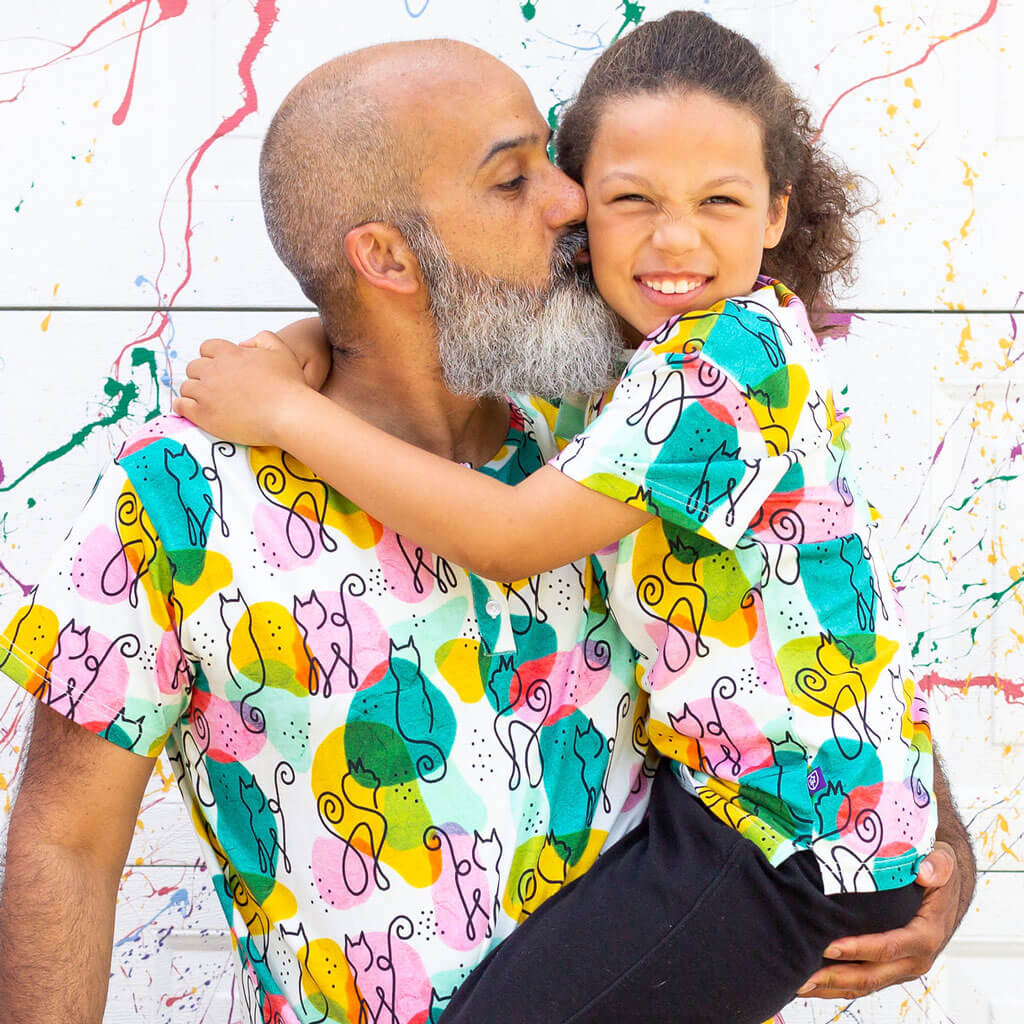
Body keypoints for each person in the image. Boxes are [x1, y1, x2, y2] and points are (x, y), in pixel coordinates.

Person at [0, 34, 969, 1024]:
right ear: (384, 256)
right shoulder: (180, 494)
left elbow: (817, 607)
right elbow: (65, 843)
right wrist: (290, 369)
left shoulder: (604, 412)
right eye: (515, 179)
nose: (571, 201)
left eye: (554, 160)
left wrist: (933, 850)